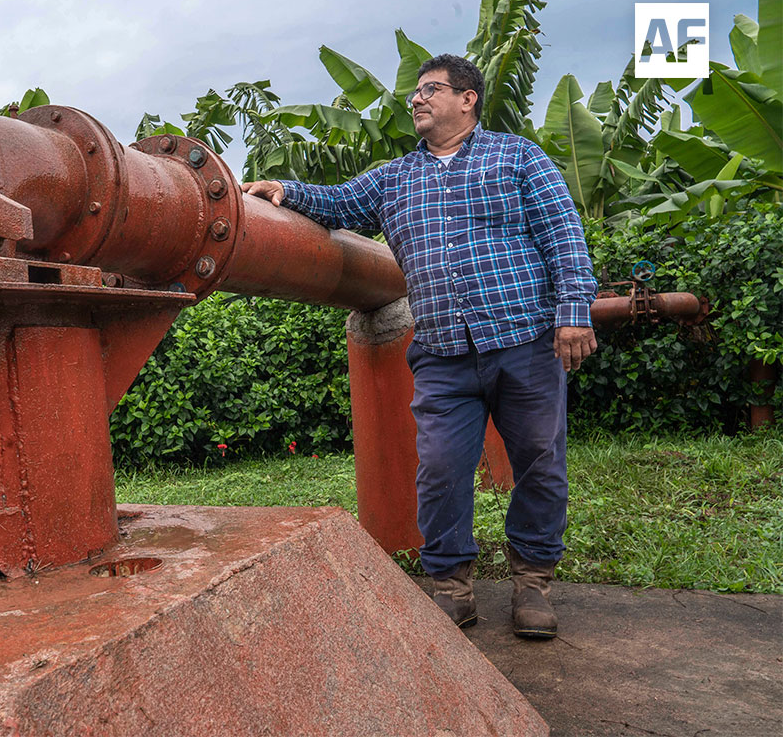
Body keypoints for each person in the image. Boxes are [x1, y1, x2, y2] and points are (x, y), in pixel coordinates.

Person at [241, 54, 597, 640]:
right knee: (439, 470)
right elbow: (338, 203)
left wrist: (573, 314)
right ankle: (452, 586)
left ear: (468, 98)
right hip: (441, 352)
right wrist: (284, 189)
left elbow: (563, 236)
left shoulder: (517, 157)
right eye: (415, 92)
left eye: (431, 89)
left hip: (525, 342)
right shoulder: (395, 177)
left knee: (540, 463)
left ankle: (532, 582)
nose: (417, 99)